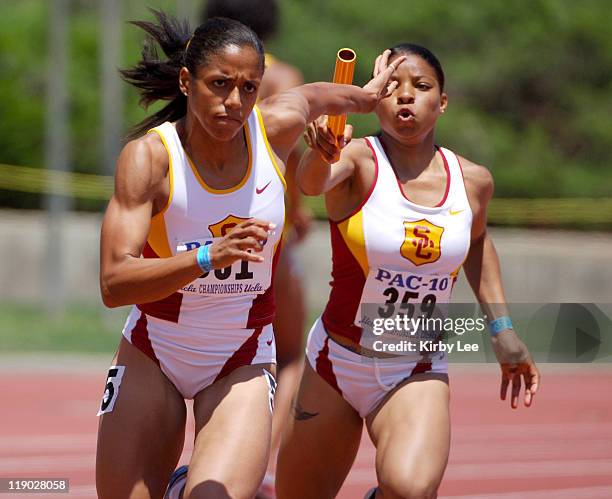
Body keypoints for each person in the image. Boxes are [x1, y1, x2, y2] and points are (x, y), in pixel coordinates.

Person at [95, 10, 402, 499]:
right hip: (155, 350)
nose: (233, 102)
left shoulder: (273, 130)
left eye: (248, 88)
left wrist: (365, 97)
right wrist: (205, 258)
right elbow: (114, 283)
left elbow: (317, 96)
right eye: (219, 84)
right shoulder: (150, 158)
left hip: (240, 356)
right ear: (186, 82)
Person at [276, 45, 541, 499]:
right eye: (393, 87)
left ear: (441, 102)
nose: (405, 97)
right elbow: (311, 183)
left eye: (420, 87)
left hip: (414, 366)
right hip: (335, 363)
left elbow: (476, 243)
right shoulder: (356, 158)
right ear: (374, 98)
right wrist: (320, 149)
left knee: (411, 488)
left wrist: (502, 329)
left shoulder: (472, 181)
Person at [201, 0, 312, 469]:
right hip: (264, 240)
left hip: (196, 231)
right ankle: (258, 464)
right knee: (289, 355)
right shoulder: (284, 78)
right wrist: (298, 213)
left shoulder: (198, 69)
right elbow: (290, 164)